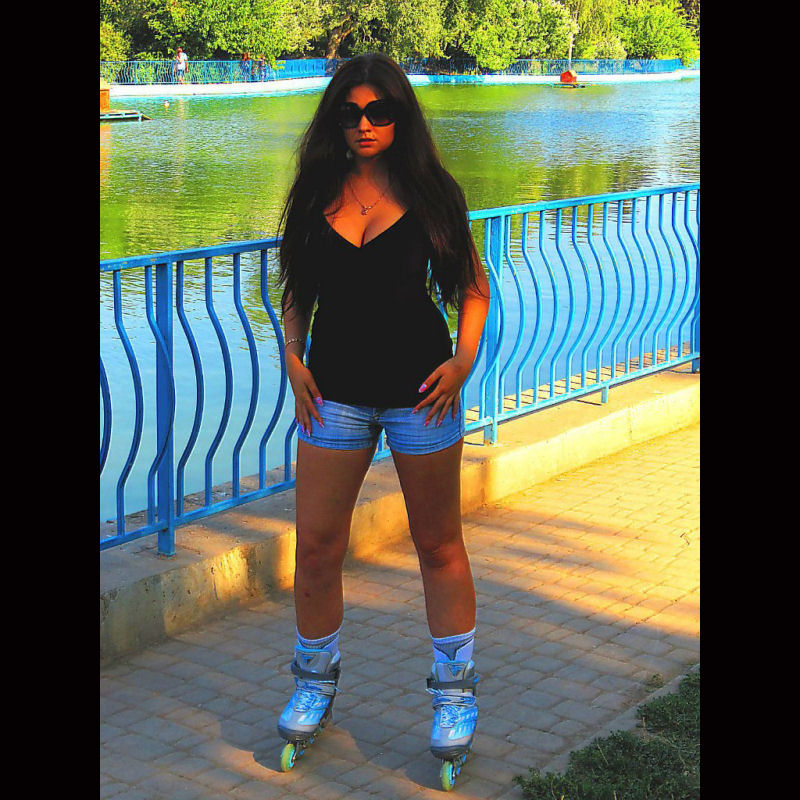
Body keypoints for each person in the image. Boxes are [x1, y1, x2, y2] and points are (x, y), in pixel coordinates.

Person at [275, 52, 491, 779]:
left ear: (400, 116)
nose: (364, 125)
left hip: (421, 394)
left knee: (438, 545)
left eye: (379, 111)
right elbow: (296, 290)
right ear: (335, 119)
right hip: (331, 394)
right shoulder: (315, 193)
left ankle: (454, 694)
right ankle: (313, 682)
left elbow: (472, 289)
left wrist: (462, 363)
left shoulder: (432, 193)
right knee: (315, 546)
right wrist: (293, 357)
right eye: (350, 113)